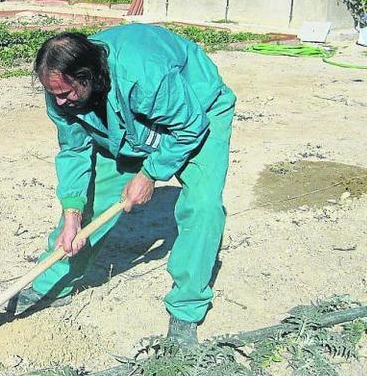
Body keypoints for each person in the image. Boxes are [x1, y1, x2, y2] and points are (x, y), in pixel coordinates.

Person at [14, 24, 236, 344]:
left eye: (65, 94)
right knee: (89, 203)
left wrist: (149, 174)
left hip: (197, 112)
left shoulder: (143, 73)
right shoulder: (61, 94)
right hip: (126, 127)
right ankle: (54, 283)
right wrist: (73, 214)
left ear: (87, 77)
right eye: (54, 95)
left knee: (202, 206)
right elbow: (75, 151)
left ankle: (186, 309)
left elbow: (189, 126)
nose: (59, 102)